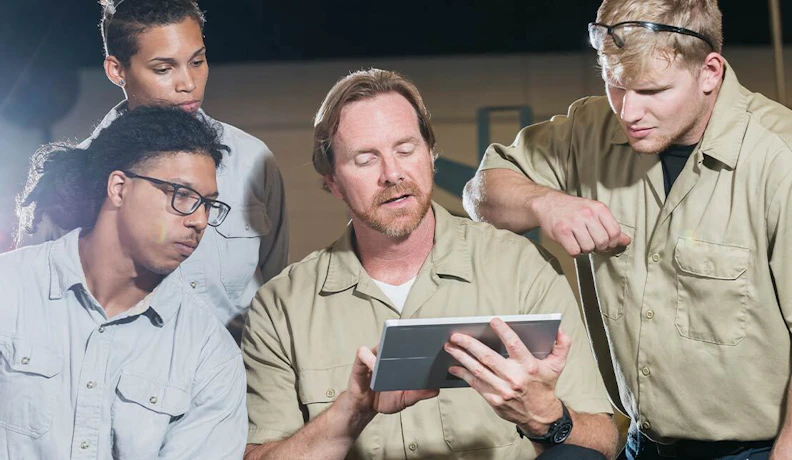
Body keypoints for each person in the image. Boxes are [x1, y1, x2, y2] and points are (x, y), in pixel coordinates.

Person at [464, 1, 792, 459]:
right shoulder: (587, 130)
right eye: (615, 86)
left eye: (652, 91)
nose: (628, 111)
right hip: (641, 444)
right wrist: (546, 202)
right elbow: (481, 191)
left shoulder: (781, 159)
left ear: (710, 72)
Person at [242, 69, 618, 460]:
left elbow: (602, 441)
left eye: (405, 150)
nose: (392, 174)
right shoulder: (281, 307)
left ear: (430, 154)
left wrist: (546, 418)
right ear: (333, 181)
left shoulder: (521, 270)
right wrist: (349, 413)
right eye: (365, 159)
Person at [15, 0, 289, 341]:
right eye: (164, 69)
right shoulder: (71, 179)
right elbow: (35, 307)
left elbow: (277, 294)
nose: (188, 83)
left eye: (198, 61)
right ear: (117, 71)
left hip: (237, 386)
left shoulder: (251, 159)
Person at [2, 106, 246, 459]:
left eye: (208, 204)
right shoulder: (8, 289)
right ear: (119, 187)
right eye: (182, 196)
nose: (200, 221)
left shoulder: (209, 354)